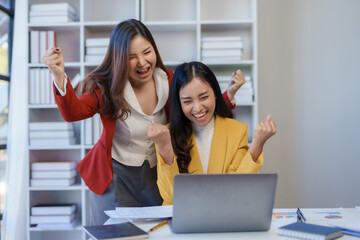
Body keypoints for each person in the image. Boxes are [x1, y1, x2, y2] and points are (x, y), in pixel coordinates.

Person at [41, 19, 243, 225]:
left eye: (147, 52)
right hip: (116, 177)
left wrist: (229, 95)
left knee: (158, 231)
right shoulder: (105, 88)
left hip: (156, 176)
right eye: (131, 57)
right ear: (119, 58)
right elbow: (73, 112)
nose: (142, 62)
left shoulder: (170, 80)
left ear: (154, 50)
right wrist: (59, 76)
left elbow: (195, 108)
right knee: (112, 235)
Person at [148, 61, 277, 205]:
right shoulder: (166, 136)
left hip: (225, 217)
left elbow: (239, 188)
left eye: (203, 97)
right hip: (186, 220)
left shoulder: (237, 130)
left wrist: (257, 144)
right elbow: (171, 197)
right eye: (187, 101)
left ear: (215, 94)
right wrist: (165, 147)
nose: (197, 108)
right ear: (179, 103)